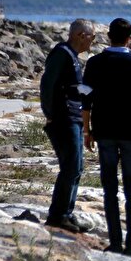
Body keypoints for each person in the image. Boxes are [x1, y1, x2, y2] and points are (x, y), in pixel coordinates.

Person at [81, 18, 131, 260]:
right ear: (129, 38)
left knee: (109, 189)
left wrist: (86, 129)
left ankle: (114, 242)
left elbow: (85, 99)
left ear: (108, 36)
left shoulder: (94, 63)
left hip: (104, 130)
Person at [39, 18, 96, 232]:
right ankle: (58, 215)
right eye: (92, 37)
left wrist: (96, 94)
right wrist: (50, 113)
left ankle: (67, 213)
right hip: (63, 119)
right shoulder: (62, 53)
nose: (93, 41)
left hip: (74, 117)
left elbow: (74, 88)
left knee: (77, 167)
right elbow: (47, 83)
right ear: (81, 35)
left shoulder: (72, 57)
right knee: (70, 167)